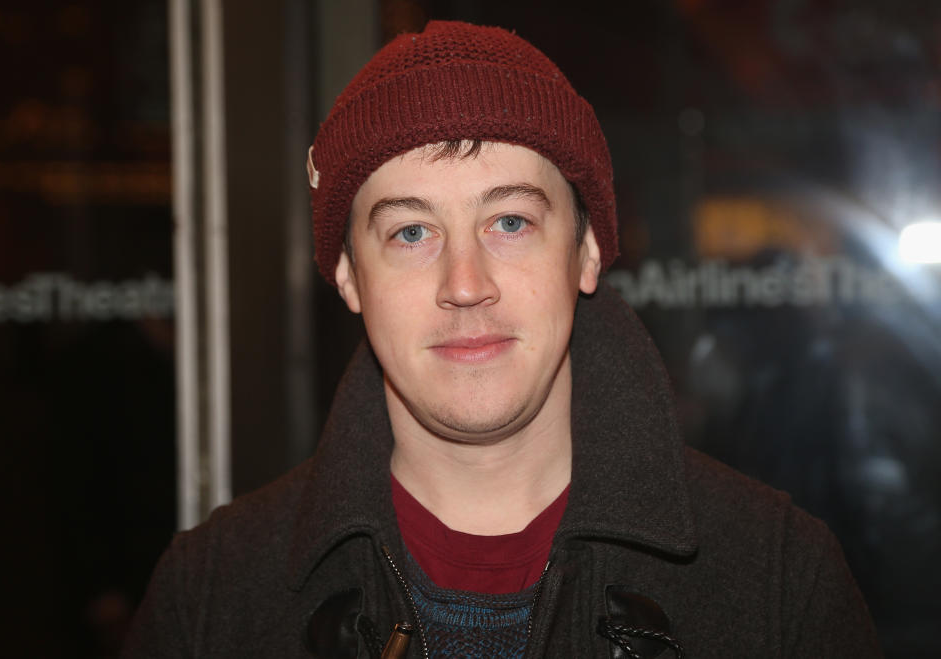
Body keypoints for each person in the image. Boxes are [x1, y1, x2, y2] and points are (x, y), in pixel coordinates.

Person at [123, 20, 881, 658]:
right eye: (412, 231)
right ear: (350, 275)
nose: (465, 281)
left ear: (586, 251)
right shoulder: (213, 597)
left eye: (510, 222)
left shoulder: (779, 580)